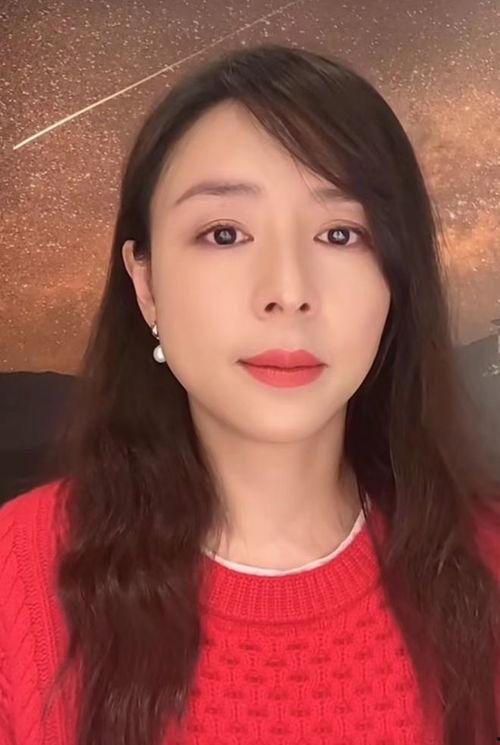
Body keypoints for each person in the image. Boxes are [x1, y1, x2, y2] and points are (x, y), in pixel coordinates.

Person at [0, 42, 498, 745]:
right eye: (225, 233)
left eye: (340, 233)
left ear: (396, 278)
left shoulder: (486, 564)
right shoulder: (16, 577)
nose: (287, 292)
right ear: (146, 283)